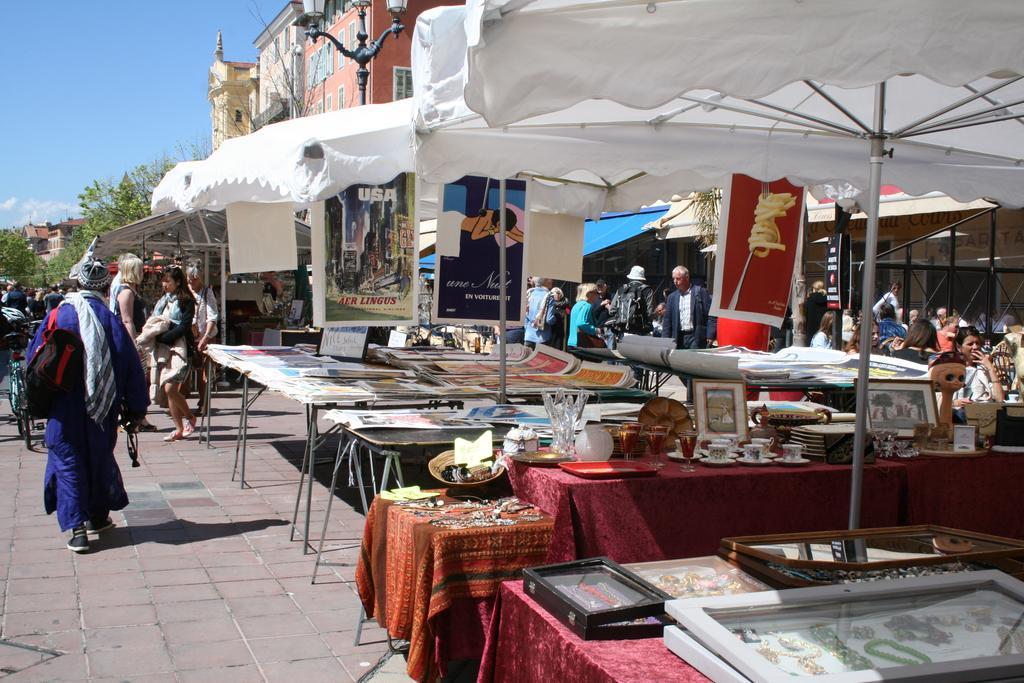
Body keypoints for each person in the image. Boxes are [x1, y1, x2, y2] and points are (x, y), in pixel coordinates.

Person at [28, 255, 149, 552]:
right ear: (105, 285)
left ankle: (78, 527)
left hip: (63, 403)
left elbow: (35, 356)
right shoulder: (108, 318)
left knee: (68, 460)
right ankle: (96, 516)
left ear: (78, 282)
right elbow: (129, 363)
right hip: (101, 405)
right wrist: (136, 407)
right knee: (97, 458)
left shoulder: (58, 313)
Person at [152, 267, 196, 441]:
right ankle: (178, 428)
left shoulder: (186, 301)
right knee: (168, 389)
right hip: (164, 349)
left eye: (167, 281)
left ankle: (189, 416)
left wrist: (166, 337)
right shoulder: (163, 301)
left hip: (180, 348)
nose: (164, 284)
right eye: (163, 281)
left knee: (170, 387)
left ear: (177, 282)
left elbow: (184, 326)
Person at [187, 265, 220, 415]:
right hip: (187, 337)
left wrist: (206, 337)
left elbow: (212, 316)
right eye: (189, 278)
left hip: (204, 338)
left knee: (204, 374)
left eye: (194, 279)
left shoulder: (207, 292)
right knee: (183, 372)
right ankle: (181, 403)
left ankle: (203, 404)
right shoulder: (185, 292)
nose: (191, 281)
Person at [660, 265, 714, 349]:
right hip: (678, 338)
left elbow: (711, 314)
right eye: (673, 279)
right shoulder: (672, 297)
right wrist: (664, 339)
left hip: (696, 337)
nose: (675, 281)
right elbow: (667, 320)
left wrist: (710, 335)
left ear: (687, 277)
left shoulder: (701, 292)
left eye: (678, 279)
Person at [953, 326, 1005, 404]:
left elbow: (999, 399)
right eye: (970, 344)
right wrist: (955, 402)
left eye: (977, 343)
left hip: (982, 412)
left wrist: (990, 367)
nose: (975, 347)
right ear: (959, 347)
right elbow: (938, 399)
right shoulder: (951, 368)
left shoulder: (983, 368)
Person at [610, 266, 657, 342]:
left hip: (623, 330)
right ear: (642, 278)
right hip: (641, 331)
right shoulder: (647, 290)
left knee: (623, 353)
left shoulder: (621, 289)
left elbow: (612, 310)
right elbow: (650, 313)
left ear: (630, 277)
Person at [524, 276, 556, 349]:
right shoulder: (549, 296)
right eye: (550, 278)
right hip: (543, 338)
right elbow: (549, 320)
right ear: (545, 281)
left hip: (529, 336)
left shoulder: (529, 293)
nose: (552, 280)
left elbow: (525, 316)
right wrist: (557, 318)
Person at [568, 283, 601, 349]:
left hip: (572, 342)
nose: (598, 295)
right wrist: (596, 330)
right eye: (596, 292)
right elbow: (581, 323)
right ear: (588, 293)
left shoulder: (576, 305)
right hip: (582, 343)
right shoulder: (587, 305)